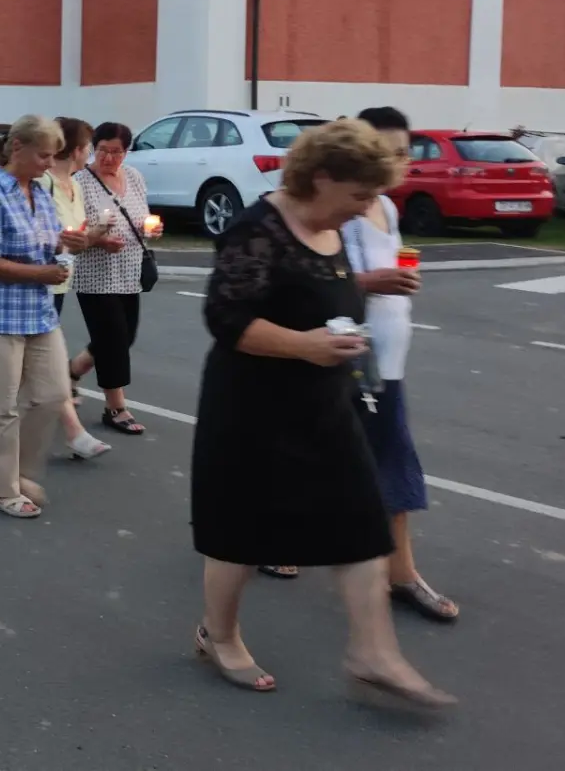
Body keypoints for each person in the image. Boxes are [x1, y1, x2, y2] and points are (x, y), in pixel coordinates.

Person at [190, 120, 453, 706]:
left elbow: (323, 295)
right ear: (324, 177)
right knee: (241, 532)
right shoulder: (255, 228)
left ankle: (373, 653)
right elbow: (226, 320)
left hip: (325, 402)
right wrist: (306, 345)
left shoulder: (332, 229)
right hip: (251, 404)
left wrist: (356, 308)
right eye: (359, 195)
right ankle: (220, 634)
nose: (364, 211)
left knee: (360, 519)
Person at [255, 108, 459, 617]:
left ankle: (395, 578)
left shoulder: (385, 209)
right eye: (389, 151)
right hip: (343, 357)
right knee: (332, 458)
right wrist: (373, 283)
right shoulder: (335, 208)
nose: (399, 161)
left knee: (384, 461)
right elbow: (319, 284)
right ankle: (276, 543)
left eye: (405, 151)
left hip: (387, 356)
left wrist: (394, 281)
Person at [0, 116, 83, 518]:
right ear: (17, 149)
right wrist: (42, 273)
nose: (50, 163)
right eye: (43, 154)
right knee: (1, 406)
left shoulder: (39, 191)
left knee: (53, 394)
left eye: (53, 155)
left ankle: (17, 473)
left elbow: (48, 241)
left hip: (37, 312)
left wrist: (77, 240)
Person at [71, 122, 154, 436]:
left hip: (130, 269)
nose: (108, 158)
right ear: (94, 148)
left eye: (116, 152)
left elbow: (143, 216)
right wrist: (98, 240)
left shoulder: (134, 177)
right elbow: (72, 231)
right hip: (95, 274)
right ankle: (115, 407)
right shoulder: (81, 182)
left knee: (125, 337)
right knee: (114, 339)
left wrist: (151, 229)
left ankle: (71, 371)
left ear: (126, 152)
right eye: (102, 150)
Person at [43, 117, 112, 460]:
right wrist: (64, 240)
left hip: (62, 279)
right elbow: (40, 235)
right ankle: (73, 431)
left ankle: (21, 410)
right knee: (49, 355)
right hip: (38, 279)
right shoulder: (44, 183)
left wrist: (98, 232)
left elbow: (78, 238)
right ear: (77, 149)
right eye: (88, 147)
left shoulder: (76, 185)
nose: (89, 154)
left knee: (35, 359)